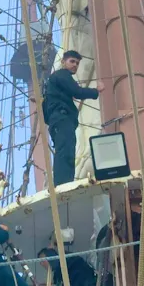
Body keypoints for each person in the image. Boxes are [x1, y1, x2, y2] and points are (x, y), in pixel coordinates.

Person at [41, 50, 104, 186]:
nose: (75, 65)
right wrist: (96, 91)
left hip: (58, 120)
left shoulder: (54, 81)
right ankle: (63, 184)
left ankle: (64, 183)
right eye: (72, 61)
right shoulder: (61, 75)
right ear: (63, 62)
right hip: (62, 118)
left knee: (66, 151)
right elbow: (77, 92)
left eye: (77, 63)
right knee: (66, 152)